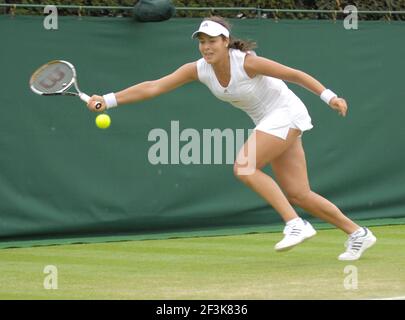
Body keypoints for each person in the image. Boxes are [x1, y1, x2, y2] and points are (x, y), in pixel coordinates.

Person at [87, 16, 377, 261]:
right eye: (201, 41)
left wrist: (330, 97)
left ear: (225, 41)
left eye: (212, 41)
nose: (206, 47)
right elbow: (154, 87)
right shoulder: (198, 70)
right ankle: (358, 233)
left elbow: (294, 74)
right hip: (269, 121)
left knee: (244, 166)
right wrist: (109, 100)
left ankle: (295, 223)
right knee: (299, 194)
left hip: (286, 113)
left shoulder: (247, 63)